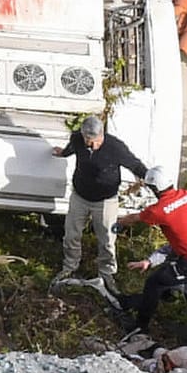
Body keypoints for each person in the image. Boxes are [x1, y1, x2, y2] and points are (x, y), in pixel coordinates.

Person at [115, 166, 187, 334]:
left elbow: (134, 218)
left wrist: (118, 222)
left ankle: (140, 327)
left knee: (155, 283)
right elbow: (182, 240)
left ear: (154, 189)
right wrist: (150, 261)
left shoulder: (158, 211)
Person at [52, 115, 147, 283]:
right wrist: (63, 153)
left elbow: (135, 164)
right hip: (80, 196)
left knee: (107, 239)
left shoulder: (115, 147)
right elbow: (71, 148)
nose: (94, 145)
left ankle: (107, 272)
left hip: (105, 200)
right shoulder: (77, 139)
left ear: (102, 134)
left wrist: (151, 180)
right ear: (82, 135)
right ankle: (70, 266)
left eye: (97, 141)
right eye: (89, 141)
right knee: (71, 235)